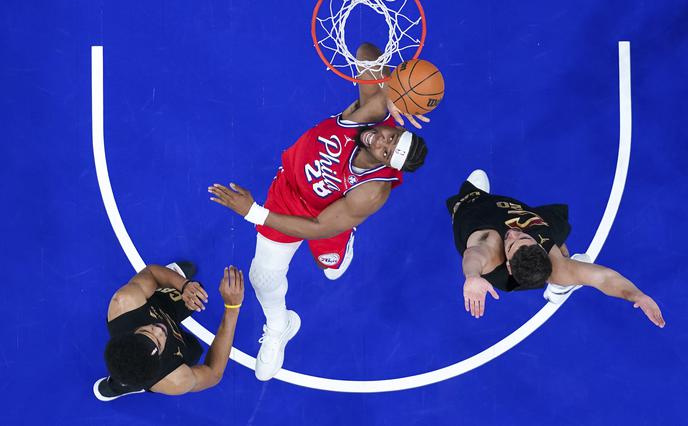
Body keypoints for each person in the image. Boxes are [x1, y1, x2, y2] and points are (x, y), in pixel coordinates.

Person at [208, 43, 430, 381]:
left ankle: (343, 248)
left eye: (388, 152)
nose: (381, 141)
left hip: (326, 218)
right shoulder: (374, 110)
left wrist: (252, 212)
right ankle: (279, 325)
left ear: (386, 164)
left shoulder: (372, 191)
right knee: (261, 277)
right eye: (391, 137)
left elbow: (317, 227)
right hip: (288, 193)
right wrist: (396, 86)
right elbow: (365, 51)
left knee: (330, 269)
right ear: (396, 126)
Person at [446, 169, 665, 328]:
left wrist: (472, 276)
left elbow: (473, 255)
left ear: (509, 266)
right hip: (520, 221)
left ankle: (474, 193)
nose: (512, 234)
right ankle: (561, 284)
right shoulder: (549, 258)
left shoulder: (490, 246)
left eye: (513, 243)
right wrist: (638, 295)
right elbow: (604, 278)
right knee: (559, 248)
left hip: (475, 207)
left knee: (470, 195)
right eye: (521, 238)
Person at [93, 262, 244, 400]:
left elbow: (151, 272)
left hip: (158, 306)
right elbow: (213, 373)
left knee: (192, 289)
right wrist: (232, 308)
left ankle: (166, 285)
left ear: (131, 334)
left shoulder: (125, 302)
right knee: (193, 351)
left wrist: (184, 285)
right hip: (166, 358)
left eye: (147, 331)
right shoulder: (174, 379)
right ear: (158, 361)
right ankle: (122, 385)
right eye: (158, 342)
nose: (160, 330)